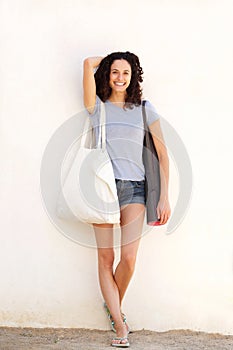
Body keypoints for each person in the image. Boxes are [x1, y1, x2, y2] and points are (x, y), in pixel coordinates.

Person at [83, 52, 171, 348]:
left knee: (129, 259)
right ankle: (120, 326)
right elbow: (87, 71)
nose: (120, 78)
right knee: (106, 259)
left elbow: (162, 153)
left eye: (126, 73)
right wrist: (97, 60)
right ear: (107, 74)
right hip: (102, 189)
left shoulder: (145, 109)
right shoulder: (98, 108)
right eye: (115, 71)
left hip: (135, 188)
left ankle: (112, 307)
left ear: (133, 77)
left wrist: (165, 196)